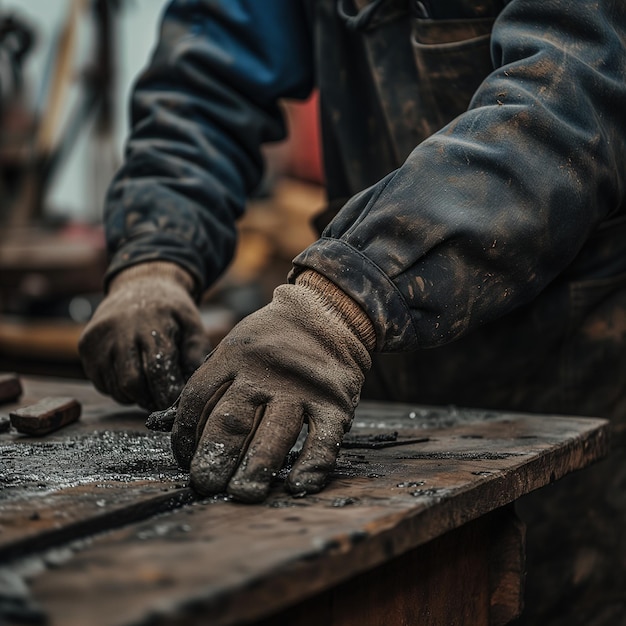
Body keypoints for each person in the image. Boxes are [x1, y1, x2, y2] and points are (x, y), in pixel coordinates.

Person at [78, 1, 626, 623]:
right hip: (382, 384)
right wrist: (153, 258)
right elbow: (206, 75)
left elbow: (568, 102)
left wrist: (342, 303)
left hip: (573, 378)